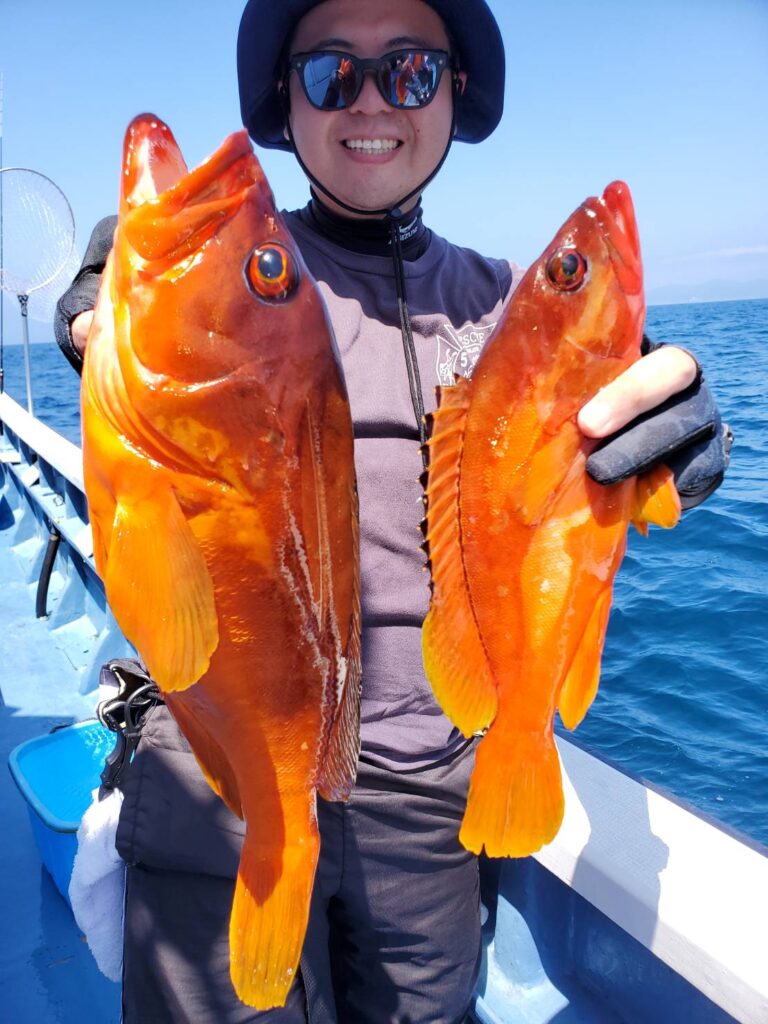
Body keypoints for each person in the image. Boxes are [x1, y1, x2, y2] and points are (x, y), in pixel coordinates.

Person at [54, 2, 731, 1021]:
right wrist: (103, 297)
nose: (371, 101)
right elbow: (138, 354)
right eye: (331, 73)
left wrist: (680, 432)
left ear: (456, 90)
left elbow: (602, 407)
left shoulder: (510, 308)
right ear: (283, 98)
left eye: (409, 70)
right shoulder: (245, 262)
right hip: (220, 760)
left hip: (429, 789)